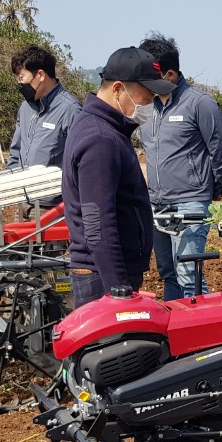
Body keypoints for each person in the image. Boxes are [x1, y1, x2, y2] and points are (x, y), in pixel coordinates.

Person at [62, 47, 175, 307]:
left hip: (103, 272)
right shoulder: (101, 139)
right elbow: (98, 223)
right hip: (102, 277)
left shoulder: (103, 128)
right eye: (146, 97)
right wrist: (119, 290)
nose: (150, 105)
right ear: (118, 89)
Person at [139, 33, 222, 300]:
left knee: (189, 276)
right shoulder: (148, 108)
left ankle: (204, 334)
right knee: (168, 273)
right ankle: (173, 330)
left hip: (189, 203)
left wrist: (214, 188)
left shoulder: (199, 103)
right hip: (157, 203)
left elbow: (220, 150)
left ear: (169, 75)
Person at [5, 44, 82, 210]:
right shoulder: (26, 108)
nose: (19, 83)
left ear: (40, 75)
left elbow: (80, 162)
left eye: (22, 77)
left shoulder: (70, 110)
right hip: (23, 202)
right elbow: (16, 151)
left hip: (53, 208)